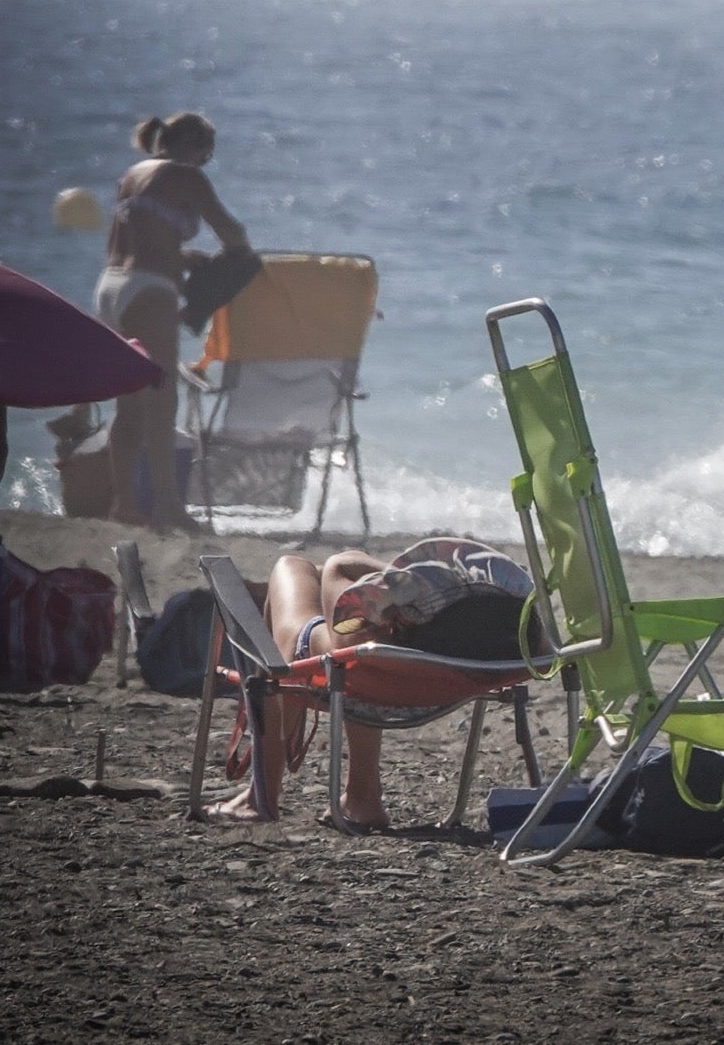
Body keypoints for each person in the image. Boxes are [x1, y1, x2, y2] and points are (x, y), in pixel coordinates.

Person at [208, 538, 539, 828]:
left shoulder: (369, 632)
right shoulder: (496, 648)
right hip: (436, 679)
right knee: (360, 651)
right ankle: (361, 795)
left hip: (333, 668)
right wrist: (452, 597)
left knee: (291, 566)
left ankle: (260, 796)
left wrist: (416, 580)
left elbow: (341, 565)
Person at [95, 113, 249, 530]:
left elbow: (134, 239)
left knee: (128, 405)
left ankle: (124, 504)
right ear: (200, 148)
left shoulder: (134, 173)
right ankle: (168, 507)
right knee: (162, 403)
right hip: (151, 292)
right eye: (208, 155)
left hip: (111, 287)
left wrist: (180, 256)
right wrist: (235, 258)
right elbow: (231, 233)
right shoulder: (188, 176)